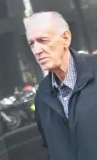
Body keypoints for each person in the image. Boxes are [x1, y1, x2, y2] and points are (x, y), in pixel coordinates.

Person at [25, 11, 97, 160]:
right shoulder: (42, 94)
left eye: (43, 40)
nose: (37, 50)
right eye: (32, 44)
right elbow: (51, 147)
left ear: (66, 38)